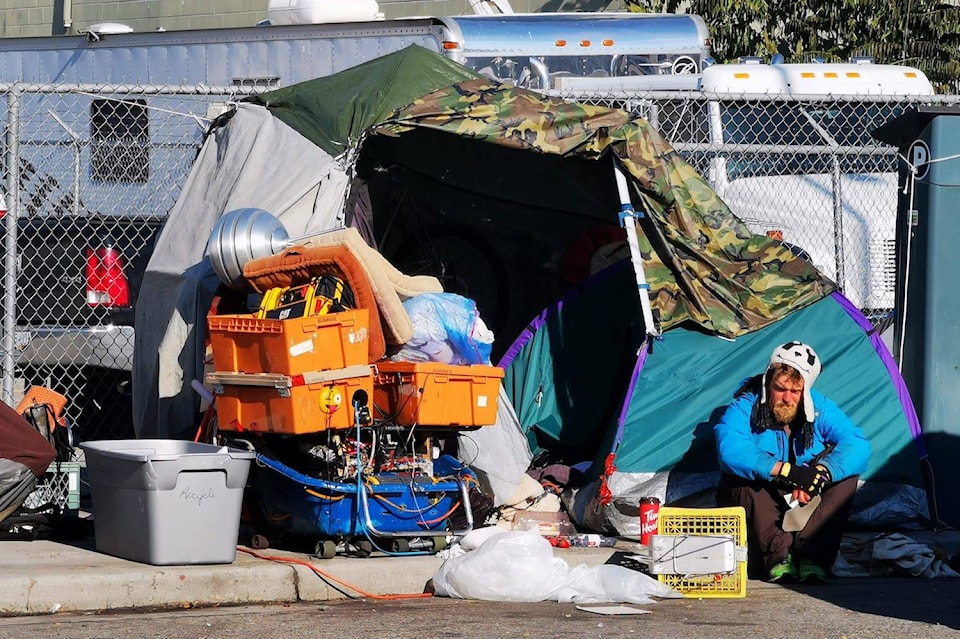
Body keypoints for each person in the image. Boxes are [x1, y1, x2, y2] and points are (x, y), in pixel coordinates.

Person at [714, 341, 870, 583]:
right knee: (740, 476)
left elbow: (857, 443)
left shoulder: (819, 407)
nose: (786, 398)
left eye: (795, 391)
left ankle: (812, 557)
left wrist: (820, 474)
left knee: (847, 475)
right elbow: (731, 448)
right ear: (768, 383)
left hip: (804, 493)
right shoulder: (744, 407)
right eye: (780, 388)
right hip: (764, 492)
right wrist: (786, 471)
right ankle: (779, 558)